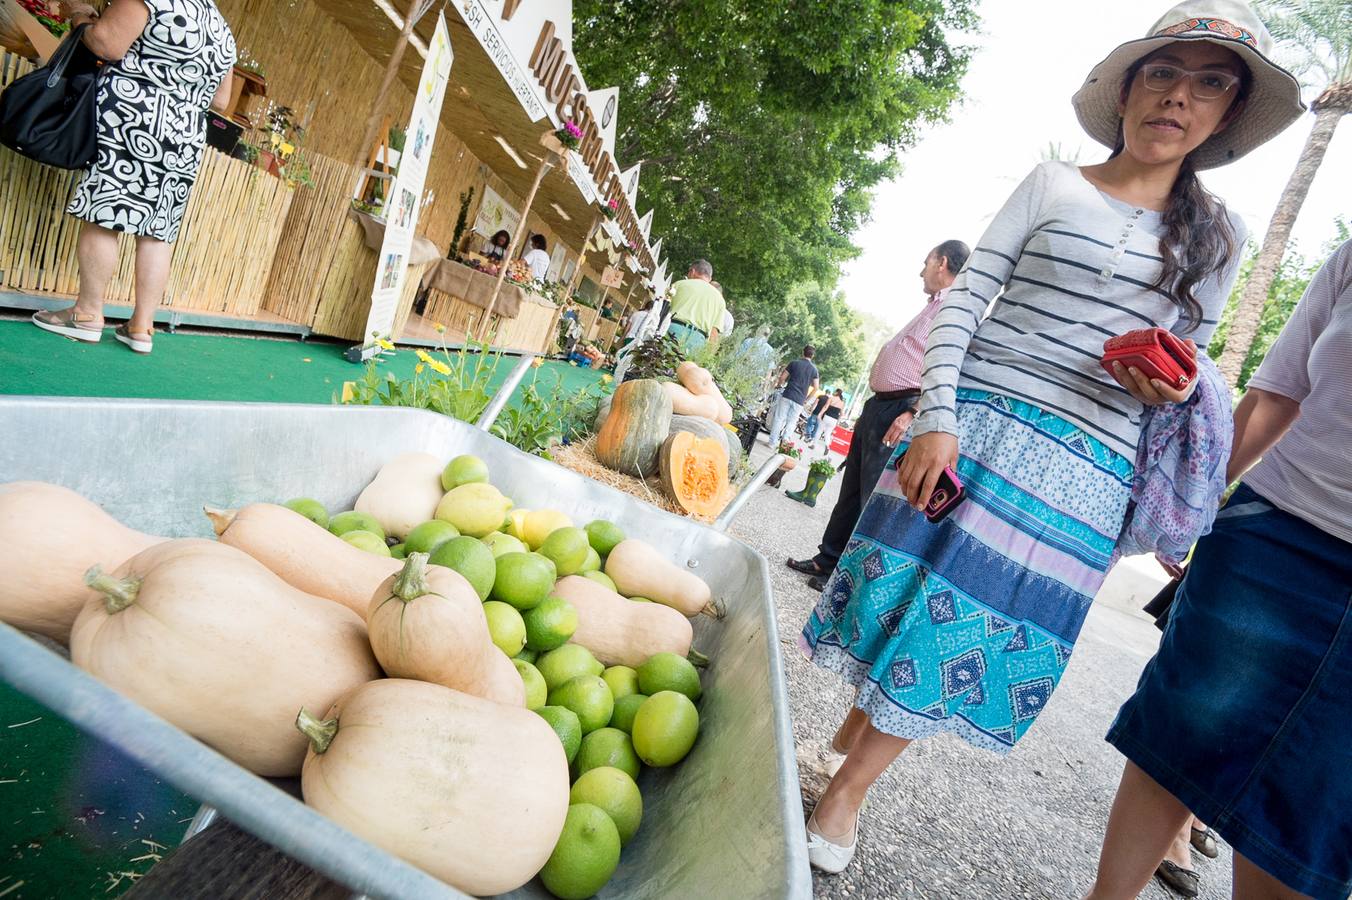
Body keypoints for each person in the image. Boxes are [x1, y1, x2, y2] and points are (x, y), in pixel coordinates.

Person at [798, 0, 1300, 876]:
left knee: (959, 625)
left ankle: (846, 793)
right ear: (1127, 89)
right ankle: (842, 752)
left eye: (1209, 84)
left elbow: (1195, 362)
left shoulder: (1222, 238)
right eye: (1162, 73)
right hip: (975, 435)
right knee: (904, 593)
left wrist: (1170, 382)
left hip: (1084, 477)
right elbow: (966, 302)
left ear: (1227, 115)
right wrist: (940, 419)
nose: (1178, 98)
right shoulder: (1051, 183)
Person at [1088, 238, 1352, 900]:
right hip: (1275, 536)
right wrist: (1196, 503)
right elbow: (1273, 397)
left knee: (1315, 811)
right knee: (1181, 731)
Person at [31, 0, 237, 355]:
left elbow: (107, 43)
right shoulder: (220, 27)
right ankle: (141, 327)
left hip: (133, 117)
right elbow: (221, 100)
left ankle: (87, 314)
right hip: (184, 136)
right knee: (157, 232)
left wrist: (79, 16)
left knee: (106, 214)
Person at [786, 241, 969, 589]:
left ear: (942, 263)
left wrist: (913, 412)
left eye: (926, 262)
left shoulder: (955, 310)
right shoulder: (933, 306)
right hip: (881, 404)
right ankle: (827, 560)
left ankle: (847, 577)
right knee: (852, 488)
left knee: (872, 495)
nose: (922, 270)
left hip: (903, 407)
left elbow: (951, 370)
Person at [766, 345, 819, 451]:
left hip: (787, 394)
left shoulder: (794, 363)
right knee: (791, 422)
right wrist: (807, 399)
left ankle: (772, 443)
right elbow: (816, 387)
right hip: (799, 400)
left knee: (779, 418)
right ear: (812, 356)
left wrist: (779, 385)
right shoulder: (814, 370)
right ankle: (784, 445)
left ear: (802, 352)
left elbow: (782, 378)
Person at [664, 259, 726, 350]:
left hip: (672, 329)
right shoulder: (720, 299)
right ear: (710, 278)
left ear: (692, 271)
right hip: (697, 340)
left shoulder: (679, 284)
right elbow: (714, 333)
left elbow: (663, 308)